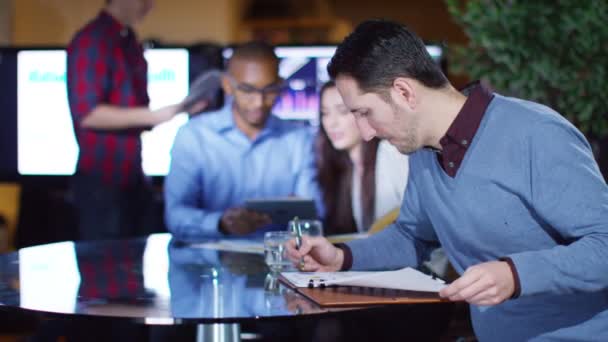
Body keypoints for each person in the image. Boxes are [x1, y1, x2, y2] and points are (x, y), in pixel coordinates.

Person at [287, 20, 608, 341]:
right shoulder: (423, 151)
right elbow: (412, 236)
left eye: (364, 113)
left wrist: (515, 274)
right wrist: (342, 256)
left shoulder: (536, 133)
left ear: (404, 92)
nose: (366, 133)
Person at [164, 42, 320, 240]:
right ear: (227, 85)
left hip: (282, 259)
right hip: (211, 264)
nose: (259, 102)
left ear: (280, 84)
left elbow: (315, 213)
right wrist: (220, 222)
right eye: (247, 90)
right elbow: (175, 215)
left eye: (270, 90)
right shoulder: (194, 136)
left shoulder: (299, 139)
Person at [66, 0, 183, 241]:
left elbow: (131, 108)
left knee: (134, 266)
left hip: (133, 176)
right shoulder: (94, 40)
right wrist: (156, 115)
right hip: (102, 181)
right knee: (105, 266)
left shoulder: (128, 41)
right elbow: (88, 113)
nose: (151, 6)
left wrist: (182, 109)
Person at [316, 80, 408, 234]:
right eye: (325, 113)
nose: (331, 123)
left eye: (343, 111)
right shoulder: (345, 170)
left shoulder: (391, 153)